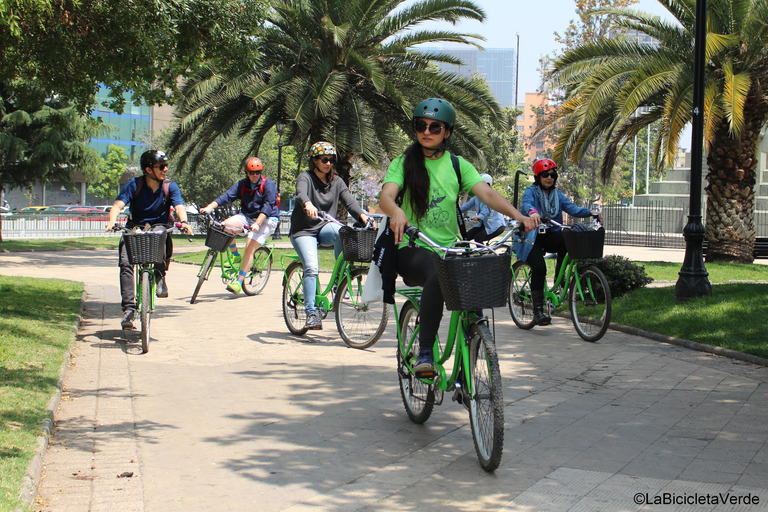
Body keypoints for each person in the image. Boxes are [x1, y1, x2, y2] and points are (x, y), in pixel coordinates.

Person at [378, 98, 537, 373]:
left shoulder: (456, 164)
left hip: (449, 248)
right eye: (421, 126)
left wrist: (519, 217)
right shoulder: (403, 162)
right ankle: (425, 352)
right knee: (436, 271)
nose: (427, 132)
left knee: (476, 276)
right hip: (411, 247)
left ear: (447, 132)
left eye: (435, 127)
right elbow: (386, 197)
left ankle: (467, 371)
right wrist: (396, 212)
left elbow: (487, 194)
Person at [105, 150, 192, 329]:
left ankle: (160, 274)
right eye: (161, 166)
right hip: (135, 227)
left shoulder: (170, 187)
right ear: (148, 169)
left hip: (158, 226)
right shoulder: (134, 184)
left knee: (162, 233)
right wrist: (112, 221)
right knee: (126, 263)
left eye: (166, 166)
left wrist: (184, 222)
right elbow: (118, 205)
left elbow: (179, 206)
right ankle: (129, 310)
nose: (165, 169)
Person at [290, 141, 370, 330]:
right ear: (314, 161)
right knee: (311, 267)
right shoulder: (305, 177)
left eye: (331, 160)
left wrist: (363, 216)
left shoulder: (337, 181)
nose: (328, 163)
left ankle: (338, 284)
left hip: (323, 227)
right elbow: (301, 192)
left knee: (343, 232)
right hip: (303, 231)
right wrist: (307, 203)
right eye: (324, 159)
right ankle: (311, 312)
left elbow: (350, 203)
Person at [516, 158, 603, 327]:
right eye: (545, 175)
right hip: (532, 237)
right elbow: (526, 204)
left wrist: (591, 212)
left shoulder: (558, 195)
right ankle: (538, 312)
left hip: (550, 235)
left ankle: (559, 277)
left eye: (552, 175)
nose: (549, 178)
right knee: (539, 269)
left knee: (568, 238)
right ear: (537, 177)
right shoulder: (531, 192)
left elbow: (573, 209)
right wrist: (533, 212)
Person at [199, 157, 279, 295]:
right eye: (251, 172)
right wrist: (209, 207)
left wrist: (257, 224)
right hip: (247, 216)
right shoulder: (242, 184)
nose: (255, 175)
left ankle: (239, 281)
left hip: (266, 219)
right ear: (247, 173)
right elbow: (227, 196)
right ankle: (235, 255)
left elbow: (268, 205)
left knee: (249, 246)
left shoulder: (268, 184)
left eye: (258, 172)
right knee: (224, 226)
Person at [459, 173, 506, 243]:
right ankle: (467, 253)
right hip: (484, 224)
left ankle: (483, 253)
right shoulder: (477, 197)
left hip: (496, 226)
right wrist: (456, 211)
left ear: (487, 185)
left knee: (478, 238)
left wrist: (479, 216)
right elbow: (467, 206)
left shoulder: (491, 196)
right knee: (467, 237)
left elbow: (486, 209)